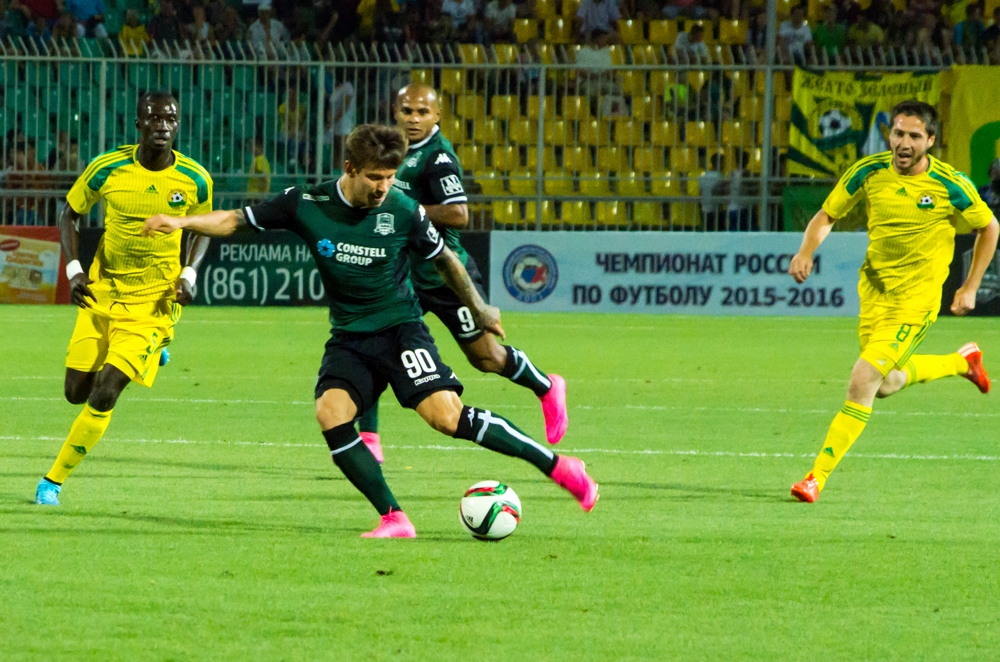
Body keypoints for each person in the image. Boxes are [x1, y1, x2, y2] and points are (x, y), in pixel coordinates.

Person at [140, 124, 598, 538]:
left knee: (447, 418)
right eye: (375, 177)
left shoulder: (404, 210)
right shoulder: (307, 203)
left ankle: (559, 467)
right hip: (350, 337)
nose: (383, 187)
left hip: (400, 330)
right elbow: (235, 219)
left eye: (390, 177)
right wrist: (181, 221)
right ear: (350, 169)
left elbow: (444, 259)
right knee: (331, 413)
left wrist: (478, 307)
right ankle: (394, 518)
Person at [346, 84, 570, 466]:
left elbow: (459, 213)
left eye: (422, 112)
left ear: (437, 116)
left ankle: (546, 386)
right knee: (376, 341)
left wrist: (404, 209)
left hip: (445, 277)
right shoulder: (392, 152)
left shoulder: (438, 158)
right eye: (406, 111)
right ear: (395, 112)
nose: (413, 119)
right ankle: (369, 437)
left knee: (486, 358)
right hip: (404, 277)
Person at [788, 101, 999, 503]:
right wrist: (805, 251)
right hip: (874, 294)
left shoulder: (949, 184)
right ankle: (962, 362)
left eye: (914, 136)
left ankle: (816, 477)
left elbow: (989, 227)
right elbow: (827, 215)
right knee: (886, 384)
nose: (904, 143)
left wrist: (970, 286)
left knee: (862, 380)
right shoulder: (869, 171)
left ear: (930, 141)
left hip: (916, 302)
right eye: (899, 133)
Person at [34, 92, 213, 506]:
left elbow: (203, 226)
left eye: (170, 118)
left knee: (105, 390)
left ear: (177, 124)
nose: (162, 125)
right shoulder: (108, 167)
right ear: (138, 124)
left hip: (153, 303)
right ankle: (152, 353)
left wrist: (188, 274)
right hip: (103, 293)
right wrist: (74, 270)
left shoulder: (195, 179)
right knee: (76, 392)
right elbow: (69, 214)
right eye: (153, 117)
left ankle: (52, 482)